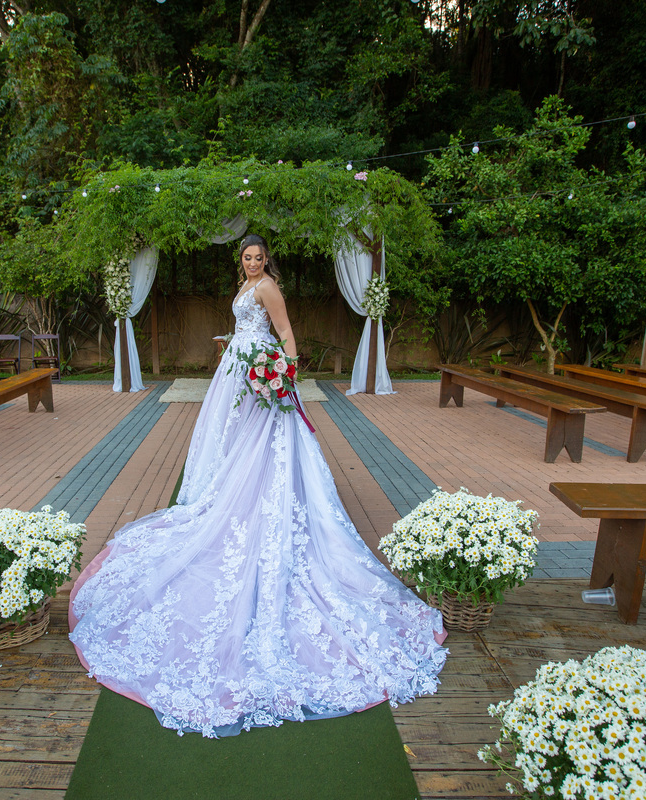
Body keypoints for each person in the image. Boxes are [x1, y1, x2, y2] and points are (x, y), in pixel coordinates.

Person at [68, 234, 447, 738]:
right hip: (241, 371)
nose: (251, 263)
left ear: (267, 259)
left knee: (265, 445)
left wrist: (283, 375)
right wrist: (241, 355)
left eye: (257, 257)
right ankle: (236, 497)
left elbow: (285, 333)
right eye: (246, 258)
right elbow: (250, 328)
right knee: (235, 444)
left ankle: (265, 502)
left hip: (264, 375)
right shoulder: (246, 286)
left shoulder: (268, 287)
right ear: (241, 259)